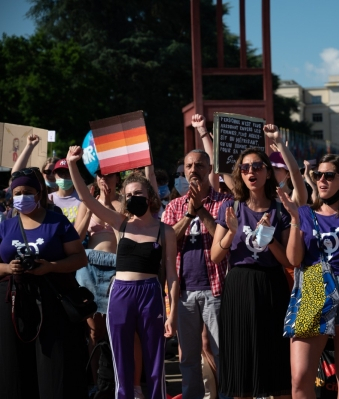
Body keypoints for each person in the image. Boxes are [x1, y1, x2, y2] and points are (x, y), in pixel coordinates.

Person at [66, 146, 180, 399]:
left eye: (138, 193)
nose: (133, 198)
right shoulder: (120, 222)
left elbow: (172, 275)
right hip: (120, 295)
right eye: (128, 195)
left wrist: (172, 314)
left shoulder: (165, 231)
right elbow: (87, 198)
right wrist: (72, 165)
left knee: (155, 365)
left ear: (149, 195)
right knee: (122, 364)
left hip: (151, 295)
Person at [281, 154, 339, 399]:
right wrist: (293, 220)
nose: (321, 180)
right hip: (312, 286)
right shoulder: (304, 212)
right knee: (300, 378)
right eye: (317, 175)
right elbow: (294, 260)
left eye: (329, 176)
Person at [211, 147, 293, 399]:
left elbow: (289, 260)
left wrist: (269, 239)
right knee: (241, 364)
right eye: (245, 168)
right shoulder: (231, 207)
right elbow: (215, 256)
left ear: (268, 172)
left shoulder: (280, 210)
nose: (250, 172)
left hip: (271, 287)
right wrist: (231, 230)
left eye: (257, 167)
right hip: (239, 288)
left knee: (276, 365)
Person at [0, 168, 88, 399]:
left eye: (27, 191)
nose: (21, 196)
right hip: (13, 306)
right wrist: (9, 268)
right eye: (17, 192)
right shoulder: (6, 225)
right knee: (15, 370)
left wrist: (50, 266)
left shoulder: (57, 222)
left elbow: (80, 258)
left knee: (53, 372)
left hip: (52, 304)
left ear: (38, 193)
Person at [162, 149, 231, 399]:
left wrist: (201, 210)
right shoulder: (173, 206)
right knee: (188, 357)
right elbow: (168, 240)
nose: (193, 170)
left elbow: (223, 239)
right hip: (183, 293)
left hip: (215, 290)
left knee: (223, 353)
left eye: (199, 165)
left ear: (209, 169)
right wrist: (189, 212)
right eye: (189, 166)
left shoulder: (224, 202)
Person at [48, 159, 81, 223]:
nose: (64, 175)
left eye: (67, 172)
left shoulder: (82, 198)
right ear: (54, 175)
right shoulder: (48, 199)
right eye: (60, 173)